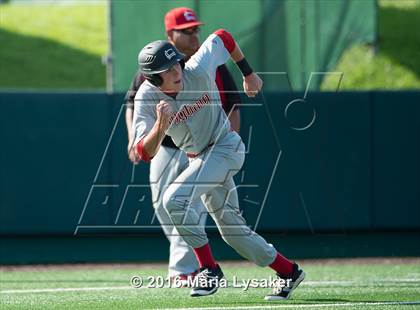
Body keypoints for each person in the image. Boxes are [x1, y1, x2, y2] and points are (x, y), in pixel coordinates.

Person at [132, 27, 305, 300]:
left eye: (176, 62)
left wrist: (248, 73)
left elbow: (223, 36)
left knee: (173, 199)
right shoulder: (146, 97)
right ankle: (288, 271)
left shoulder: (196, 68)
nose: (177, 70)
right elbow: (143, 152)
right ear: (153, 78)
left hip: (226, 147)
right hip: (199, 158)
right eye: (168, 68)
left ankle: (209, 269)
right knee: (234, 233)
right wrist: (160, 127)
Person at [124, 7, 241, 282]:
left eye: (195, 30)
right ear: (170, 34)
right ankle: (188, 266)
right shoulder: (152, 69)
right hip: (165, 147)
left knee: (189, 205)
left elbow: (233, 105)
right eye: (186, 31)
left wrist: (225, 149)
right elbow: (132, 105)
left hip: (204, 150)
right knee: (163, 206)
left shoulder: (207, 63)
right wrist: (133, 139)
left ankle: (186, 270)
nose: (193, 35)